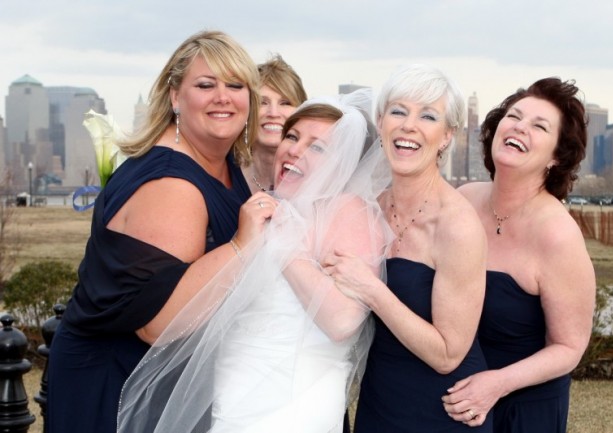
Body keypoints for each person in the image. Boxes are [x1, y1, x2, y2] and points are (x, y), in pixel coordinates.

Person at [117, 89, 393, 433]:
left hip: (295, 406)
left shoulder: (348, 211)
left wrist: (281, 244)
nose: (294, 149)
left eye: (317, 147)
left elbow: (342, 321)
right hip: (234, 394)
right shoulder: (270, 210)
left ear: (343, 163)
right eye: (292, 136)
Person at [46, 30, 271, 433]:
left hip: (161, 378)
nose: (223, 97)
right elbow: (158, 323)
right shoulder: (173, 186)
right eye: (206, 85)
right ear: (174, 96)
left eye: (235, 85)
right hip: (116, 383)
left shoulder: (223, 164)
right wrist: (241, 245)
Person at [323, 64, 491, 432]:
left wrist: (371, 290)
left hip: (442, 408)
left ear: (447, 135)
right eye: (398, 111)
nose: (409, 125)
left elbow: (448, 354)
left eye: (428, 116)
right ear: (381, 120)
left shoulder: (457, 225)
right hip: (379, 399)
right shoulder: (367, 207)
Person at [442, 78, 596, 432]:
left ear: (557, 156)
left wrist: (495, 384)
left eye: (539, 126)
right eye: (514, 116)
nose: (519, 127)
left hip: (522, 410)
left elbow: (569, 347)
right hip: (456, 400)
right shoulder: (463, 199)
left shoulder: (558, 235)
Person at [241, 54, 308, 193]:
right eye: (262, 102)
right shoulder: (222, 171)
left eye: (285, 103)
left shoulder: (315, 176)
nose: (273, 113)